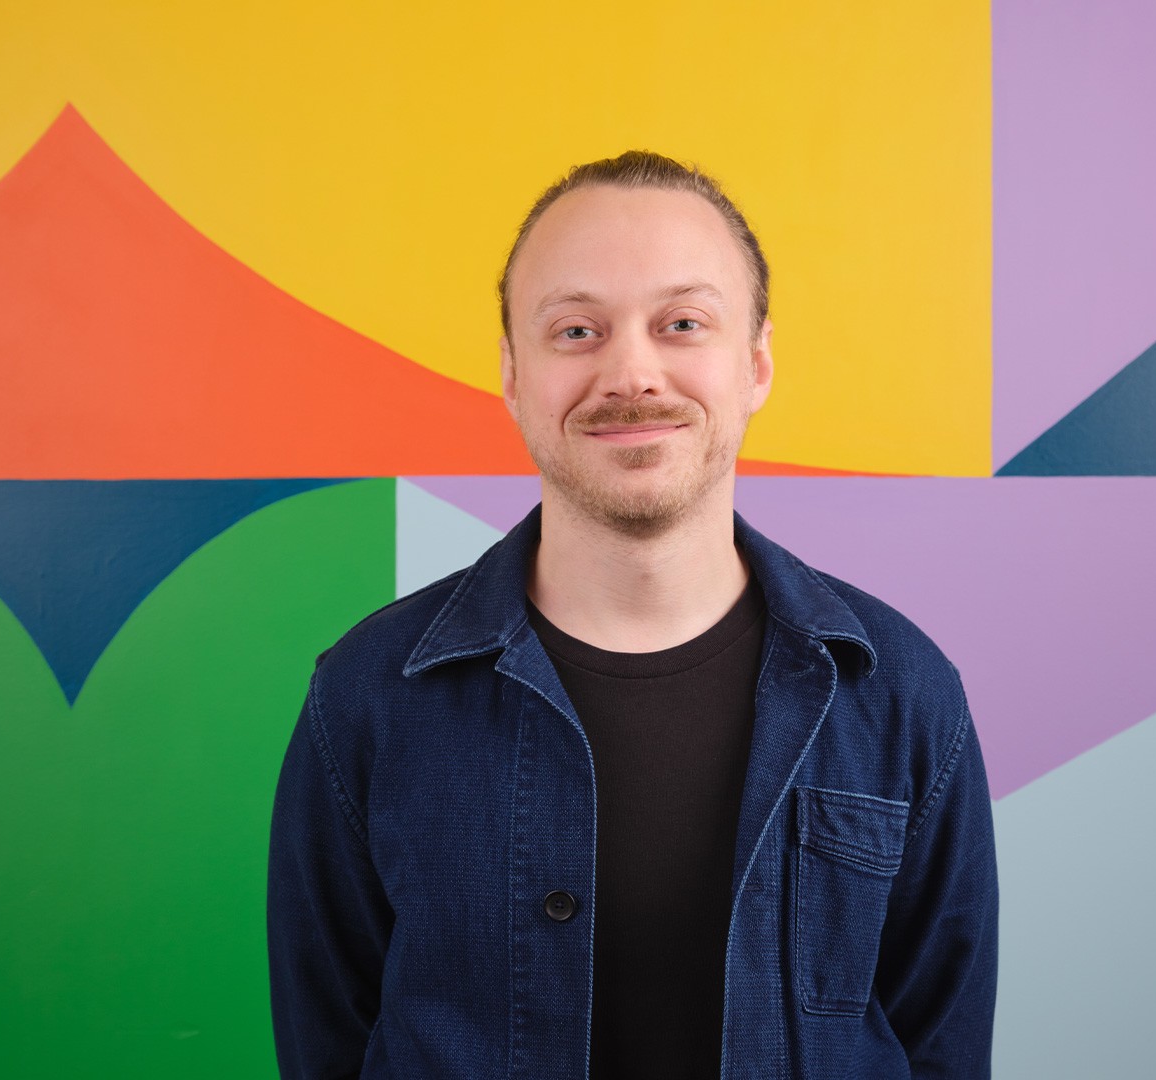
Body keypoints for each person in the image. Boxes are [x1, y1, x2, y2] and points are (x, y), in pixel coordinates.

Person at [267, 151, 998, 1079]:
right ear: (512, 374)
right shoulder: (366, 698)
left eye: (682, 323)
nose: (632, 372)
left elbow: (942, 1045)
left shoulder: (901, 691)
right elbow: (327, 1041)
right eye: (576, 330)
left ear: (757, 363)